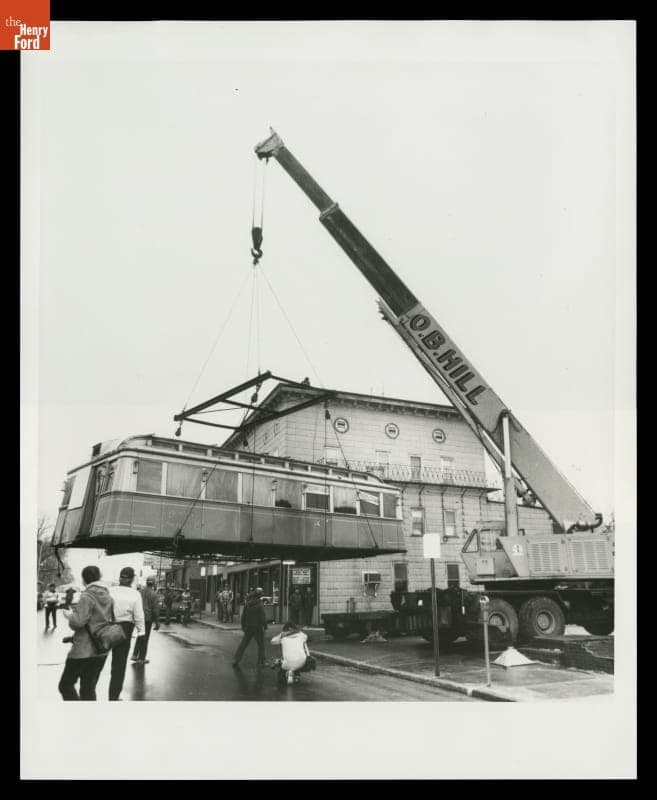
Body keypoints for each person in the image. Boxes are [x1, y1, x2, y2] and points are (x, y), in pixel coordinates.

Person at [58, 566, 111, 701]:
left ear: (84, 579)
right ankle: (88, 718)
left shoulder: (87, 596)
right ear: (99, 577)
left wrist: (70, 615)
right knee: (88, 687)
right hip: (101, 649)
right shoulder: (108, 596)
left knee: (65, 685)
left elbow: (78, 623)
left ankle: (77, 714)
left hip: (83, 650)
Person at [108, 566, 145, 701]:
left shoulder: (110, 591)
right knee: (119, 665)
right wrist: (142, 633)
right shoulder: (135, 594)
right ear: (132, 579)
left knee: (98, 662)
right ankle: (113, 696)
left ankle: (89, 694)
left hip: (107, 627)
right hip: (124, 630)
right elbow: (139, 616)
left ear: (120, 577)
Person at [232, 588, 268, 667]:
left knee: (244, 643)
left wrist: (243, 626)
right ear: (260, 596)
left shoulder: (247, 603)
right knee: (261, 645)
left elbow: (244, 616)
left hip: (248, 626)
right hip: (258, 627)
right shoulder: (260, 604)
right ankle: (260, 662)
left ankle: (236, 659)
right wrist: (265, 627)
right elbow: (262, 617)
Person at [131, 577, 160, 664]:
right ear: (154, 583)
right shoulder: (154, 594)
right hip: (147, 618)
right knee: (145, 638)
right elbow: (155, 609)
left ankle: (135, 655)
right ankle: (141, 658)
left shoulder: (140, 592)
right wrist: (157, 622)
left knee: (140, 635)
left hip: (139, 617)